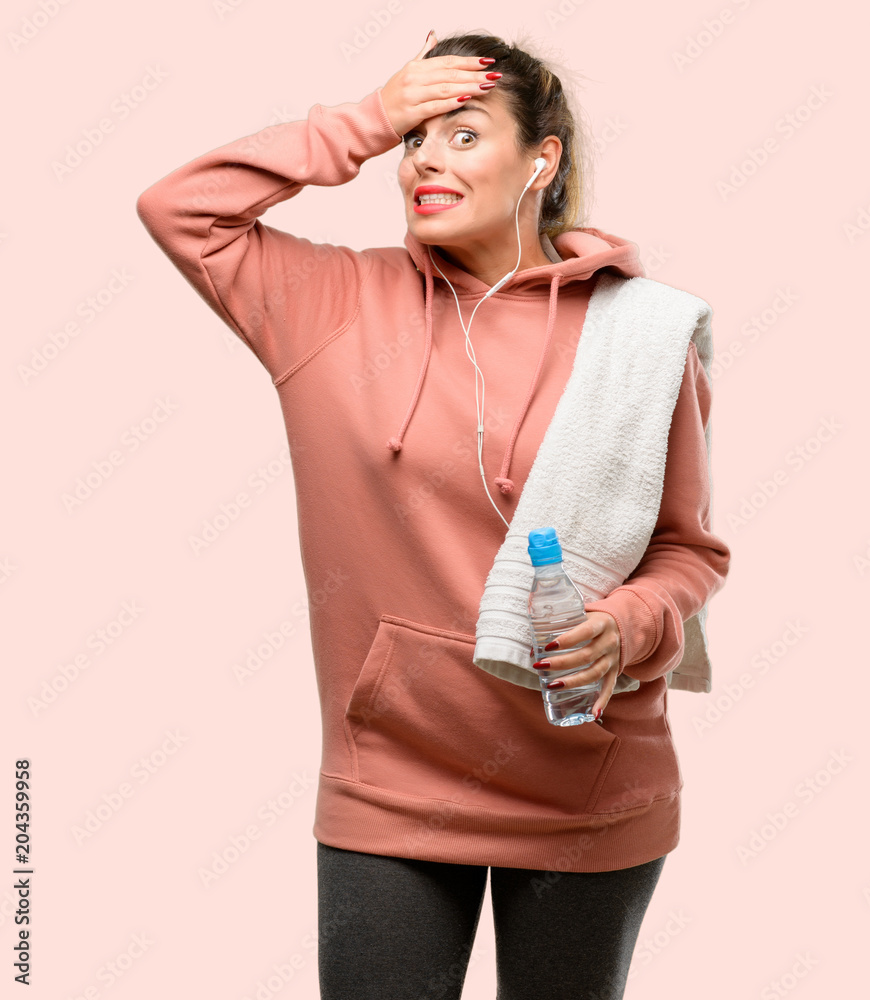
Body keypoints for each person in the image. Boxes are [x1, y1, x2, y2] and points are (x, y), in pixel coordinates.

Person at [136, 28, 731, 1000]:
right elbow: (181, 210)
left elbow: (687, 550)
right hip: (393, 785)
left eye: (462, 133)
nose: (424, 159)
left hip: (588, 781)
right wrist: (366, 119)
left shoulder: (640, 331)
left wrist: (627, 626)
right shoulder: (331, 303)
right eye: (416, 138)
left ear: (542, 160)